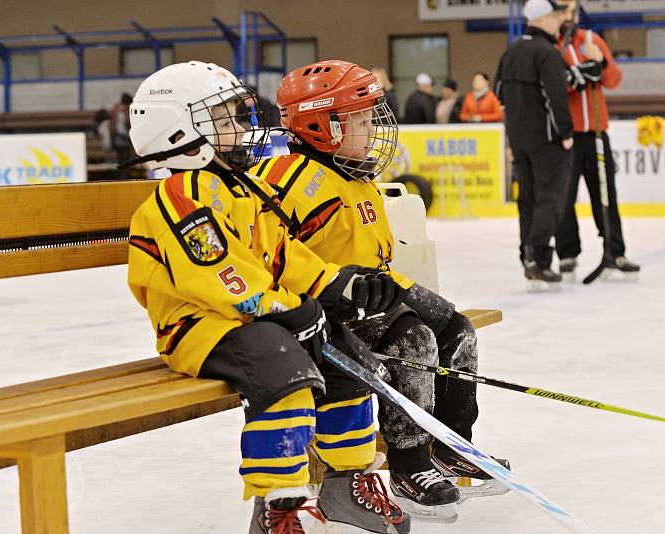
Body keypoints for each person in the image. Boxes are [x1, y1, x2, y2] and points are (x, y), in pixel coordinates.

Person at [124, 60, 411, 534]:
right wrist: (288, 309)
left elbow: (283, 255)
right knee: (284, 372)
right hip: (201, 327)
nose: (241, 128)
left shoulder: (242, 189)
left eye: (237, 115)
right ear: (177, 132)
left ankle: (347, 481)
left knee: (347, 358)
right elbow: (219, 275)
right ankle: (278, 505)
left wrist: (336, 285)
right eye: (223, 119)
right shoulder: (179, 197)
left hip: (256, 319)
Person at [251, 60, 509, 522]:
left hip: (372, 291)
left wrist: (405, 291)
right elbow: (268, 254)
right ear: (319, 125)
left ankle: (449, 445)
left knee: (456, 328)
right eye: (361, 118)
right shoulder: (287, 182)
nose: (373, 128)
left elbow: (378, 259)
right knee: (412, 341)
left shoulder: (356, 175)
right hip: (326, 307)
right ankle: (409, 467)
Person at [554, 0, 641, 280]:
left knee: (605, 194)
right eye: (561, 10)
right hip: (566, 137)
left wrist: (600, 61)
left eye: (570, 9)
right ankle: (568, 253)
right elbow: (553, 86)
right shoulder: (551, 47)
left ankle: (615, 251)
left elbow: (614, 79)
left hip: (596, 134)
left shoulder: (592, 40)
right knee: (564, 198)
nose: (567, 15)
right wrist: (574, 78)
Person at [500, 0, 573, 289]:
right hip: (546, 139)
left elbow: (499, 93)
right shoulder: (547, 53)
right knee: (550, 198)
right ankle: (539, 258)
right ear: (542, 19)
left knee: (527, 199)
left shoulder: (511, 52)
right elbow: (557, 97)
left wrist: (512, 133)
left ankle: (527, 256)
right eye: (555, 16)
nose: (559, 21)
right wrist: (565, 133)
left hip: (519, 140)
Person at [110, 93, 134, 178]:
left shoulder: (117, 108)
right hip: (123, 141)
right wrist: (130, 137)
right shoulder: (122, 110)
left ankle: (122, 179)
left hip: (117, 141)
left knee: (121, 163)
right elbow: (120, 129)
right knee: (125, 163)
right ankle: (124, 180)